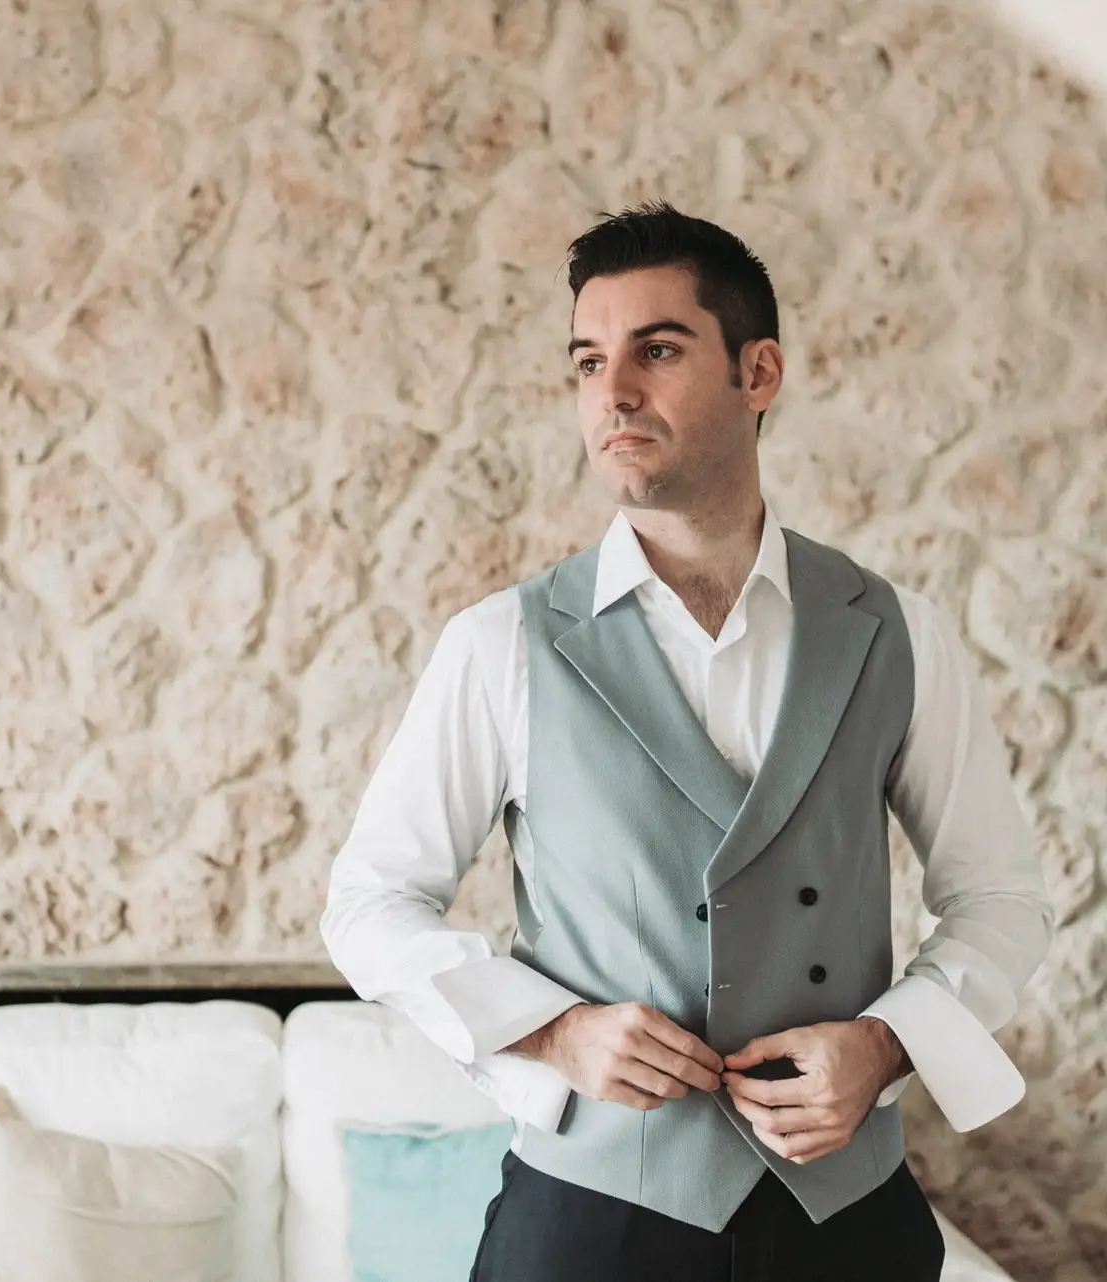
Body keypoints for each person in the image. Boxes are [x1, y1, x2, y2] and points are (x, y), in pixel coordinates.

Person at [318, 201, 1055, 1282]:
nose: (613, 393)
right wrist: (554, 1032)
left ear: (759, 372)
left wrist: (887, 1045)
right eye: (588, 361)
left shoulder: (897, 634)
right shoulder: (500, 645)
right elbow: (370, 903)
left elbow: (1002, 899)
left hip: (845, 1225)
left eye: (656, 351)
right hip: (592, 1225)